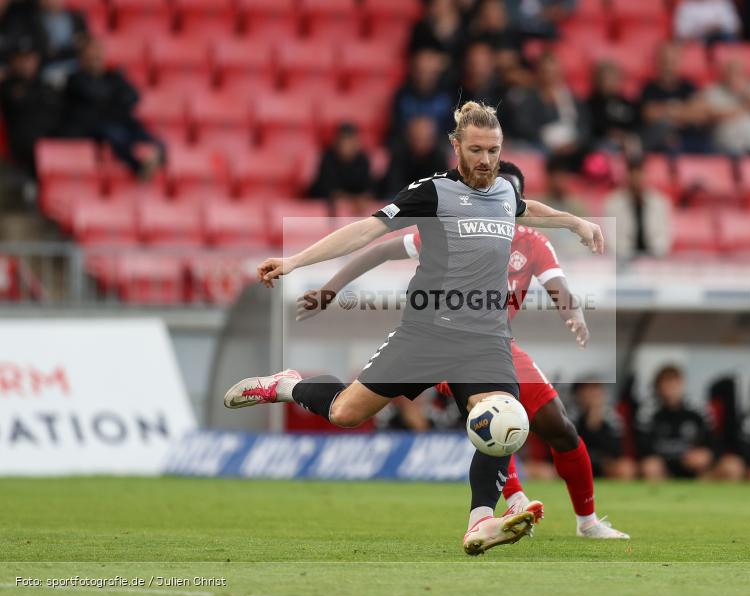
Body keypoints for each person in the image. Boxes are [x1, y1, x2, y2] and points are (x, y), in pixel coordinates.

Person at [222, 101, 606, 555]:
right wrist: (296, 261)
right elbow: (366, 232)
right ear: (456, 145)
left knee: (506, 418)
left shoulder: (503, 191)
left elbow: (524, 207)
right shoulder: (432, 193)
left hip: (485, 339)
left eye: (494, 151)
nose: (486, 160)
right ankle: (287, 385)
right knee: (347, 413)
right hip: (426, 334)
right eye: (477, 150)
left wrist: (574, 221)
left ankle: (481, 519)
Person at [296, 160, 629, 540]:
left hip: (497, 343)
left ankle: (586, 521)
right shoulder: (455, 228)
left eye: (514, 198)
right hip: (443, 339)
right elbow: (381, 249)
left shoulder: (534, 243)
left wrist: (574, 313)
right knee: (492, 411)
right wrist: (330, 288)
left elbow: (558, 285)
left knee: (559, 426)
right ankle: (513, 499)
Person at [63, 38, 164, 177]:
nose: (95, 59)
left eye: (98, 55)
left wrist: (111, 98)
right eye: (91, 56)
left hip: (121, 120)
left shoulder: (112, 76)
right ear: (82, 59)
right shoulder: (75, 79)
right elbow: (94, 95)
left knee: (154, 140)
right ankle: (138, 167)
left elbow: (133, 96)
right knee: (117, 136)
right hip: (96, 125)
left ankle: (155, 159)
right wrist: (114, 98)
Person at [504, 52, 590, 166]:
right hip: (541, 147)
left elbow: (584, 125)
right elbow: (524, 126)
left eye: (554, 72)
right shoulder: (527, 99)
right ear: (538, 73)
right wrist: (548, 141)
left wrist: (574, 144)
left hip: (572, 147)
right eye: (546, 72)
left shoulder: (572, 99)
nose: (550, 76)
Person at [637, 364, 714, 480]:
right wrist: (658, 458)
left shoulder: (698, 409)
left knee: (717, 465)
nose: (670, 388)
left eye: (673, 383)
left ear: (681, 384)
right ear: (657, 386)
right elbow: (642, 445)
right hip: (662, 464)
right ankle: (657, 496)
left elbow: (713, 439)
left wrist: (705, 453)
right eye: (666, 383)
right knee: (650, 466)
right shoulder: (647, 411)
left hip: (691, 464)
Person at [0, 39, 61, 175]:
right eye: (21, 59)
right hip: (22, 145)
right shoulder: (7, 86)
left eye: (29, 59)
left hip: (49, 140)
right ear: (13, 61)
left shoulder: (46, 86)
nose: (25, 64)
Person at [639, 43, 711, 154]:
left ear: (678, 63)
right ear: (657, 63)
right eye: (664, 61)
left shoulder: (689, 87)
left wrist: (666, 111)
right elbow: (650, 115)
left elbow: (699, 114)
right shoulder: (649, 89)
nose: (668, 66)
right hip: (664, 143)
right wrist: (684, 111)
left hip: (692, 139)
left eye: (672, 61)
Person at [702, 58, 750, 156]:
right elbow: (709, 115)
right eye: (730, 72)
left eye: (738, 73)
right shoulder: (712, 91)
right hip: (724, 149)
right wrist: (743, 108)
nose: (734, 77)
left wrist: (746, 94)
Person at [603, 157, 672, 259]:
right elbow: (610, 236)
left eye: (639, 173)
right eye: (632, 174)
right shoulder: (612, 203)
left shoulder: (660, 203)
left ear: (645, 175)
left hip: (654, 260)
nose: (636, 178)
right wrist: (624, 255)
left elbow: (666, 234)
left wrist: (657, 254)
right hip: (623, 259)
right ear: (626, 176)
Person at [571, 379, 636, 480]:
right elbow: (569, 447)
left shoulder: (612, 418)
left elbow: (616, 451)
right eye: (587, 390)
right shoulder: (570, 416)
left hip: (605, 464)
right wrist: (591, 423)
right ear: (579, 394)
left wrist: (597, 421)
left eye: (595, 390)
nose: (592, 395)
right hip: (577, 463)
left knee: (625, 468)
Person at [389, 49, 454, 141]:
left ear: (437, 73)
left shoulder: (447, 96)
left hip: (439, 146)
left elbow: (452, 130)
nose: (425, 77)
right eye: (421, 71)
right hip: (408, 144)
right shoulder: (402, 95)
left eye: (429, 72)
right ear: (413, 71)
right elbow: (396, 128)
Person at [309, 122, 373, 214]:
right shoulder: (328, 158)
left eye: (351, 140)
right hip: (323, 210)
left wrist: (364, 197)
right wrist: (351, 200)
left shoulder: (363, 160)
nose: (347, 146)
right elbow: (327, 189)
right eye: (344, 140)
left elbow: (368, 187)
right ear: (337, 142)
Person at [380, 116, 448, 199]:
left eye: (425, 139)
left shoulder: (439, 156)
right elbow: (393, 185)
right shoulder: (399, 153)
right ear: (408, 137)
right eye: (416, 139)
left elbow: (442, 187)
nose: (420, 144)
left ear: (433, 139)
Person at [587, 60, 641, 152]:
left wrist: (625, 135)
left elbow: (637, 122)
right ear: (598, 81)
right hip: (603, 141)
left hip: (627, 140)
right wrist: (611, 134)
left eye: (615, 79)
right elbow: (593, 125)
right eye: (607, 79)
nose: (612, 83)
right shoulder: (592, 103)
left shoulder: (628, 103)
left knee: (634, 142)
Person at [37, 0, 88, 86]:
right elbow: (46, 50)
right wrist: (71, 46)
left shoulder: (76, 17)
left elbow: (84, 41)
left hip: (75, 65)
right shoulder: (36, 21)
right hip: (50, 67)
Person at [674, 0, 742, 43]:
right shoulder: (686, 6)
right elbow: (681, 33)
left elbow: (734, 26)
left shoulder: (723, 3)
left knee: (729, 38)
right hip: (698, 41)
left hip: (721, 40)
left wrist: (716, 28)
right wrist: (703, 30)